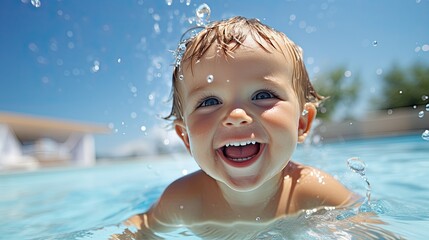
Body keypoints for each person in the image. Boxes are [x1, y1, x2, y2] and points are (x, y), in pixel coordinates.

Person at [124, 16, 357, 238]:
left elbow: (368, 227)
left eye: (263, 95)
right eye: (209, 102)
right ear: (186, 137)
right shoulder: (184, 200)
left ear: (301, 123)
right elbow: (139, 228)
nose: (236, 115)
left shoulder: (315, 192)